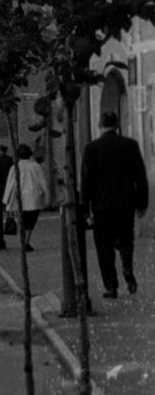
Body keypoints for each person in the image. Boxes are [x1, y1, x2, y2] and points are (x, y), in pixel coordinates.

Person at [80, 109, 149, 299]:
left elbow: (86, 181)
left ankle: (110, 286)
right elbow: (140, 176)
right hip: (126, 205)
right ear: (117, 126)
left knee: (104, 247)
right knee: (126, 240)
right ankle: (127, 266)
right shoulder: (130, 145)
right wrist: (142, 203)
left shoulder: (91, 149)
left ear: (99, 126)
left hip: (101, 207)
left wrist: (85, 210)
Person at [3, 143, 48, 251]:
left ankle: (22, 241)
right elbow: (43, 182)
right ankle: (26, 241)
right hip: (33, 197)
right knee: (31, 220)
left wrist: (6, 200)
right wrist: (48, 195)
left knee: (21, 220)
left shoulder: (14, 167)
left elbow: (9, 184)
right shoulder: (35, 166)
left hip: (19, 198)